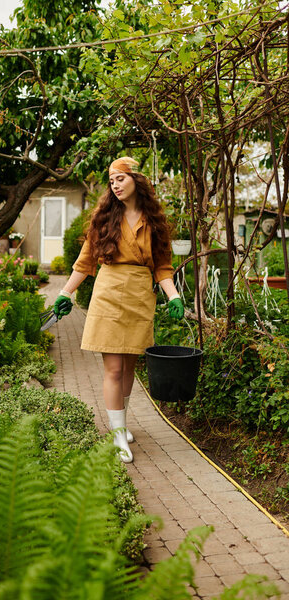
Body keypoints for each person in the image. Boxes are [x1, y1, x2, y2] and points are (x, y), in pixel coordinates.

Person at [53, 157, 184, 463]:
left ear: (136, 180)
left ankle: (121, 426)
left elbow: (163, 266)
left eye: (120, 179)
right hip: (109, 293)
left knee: (128, 369)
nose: (115, 185)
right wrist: (64, 292)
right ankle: (116, 434)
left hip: (139, 296)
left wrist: (174, 296)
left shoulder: (154, 221)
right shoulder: (103, 218)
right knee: (113, 368)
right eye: (112, 181)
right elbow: (85, 263)